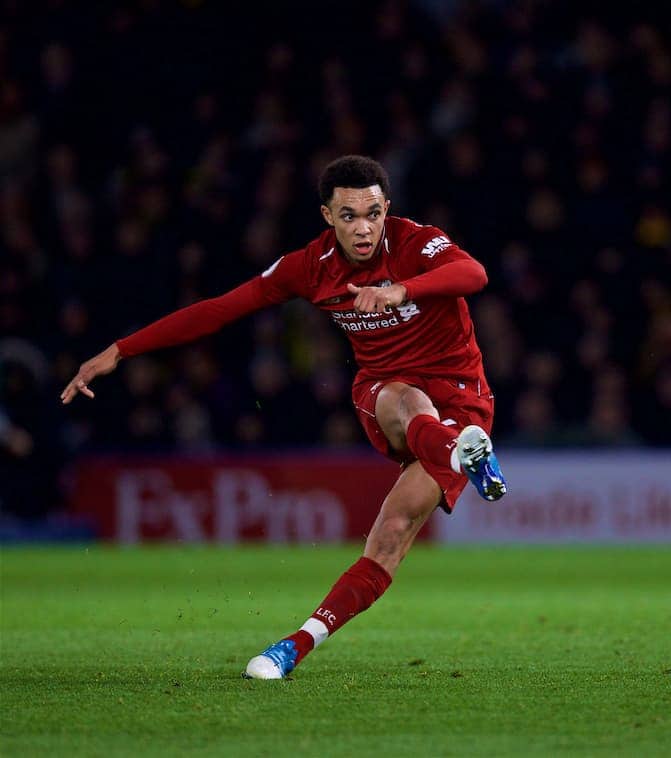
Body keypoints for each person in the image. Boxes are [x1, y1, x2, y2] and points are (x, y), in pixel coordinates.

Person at [60, 155, 507, 679]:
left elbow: (473, 273)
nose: (362, 228)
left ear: (388, 209)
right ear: (326, 215)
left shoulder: (416, 242)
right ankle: (461, 453)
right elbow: (220, 309)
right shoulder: (309, 267)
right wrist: (121, 350)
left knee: (391, 533)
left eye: (372, 213)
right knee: (406, 400)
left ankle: (294, 645)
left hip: (461, 398)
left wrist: (400, 289)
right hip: (389, 392)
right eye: (347, 215)